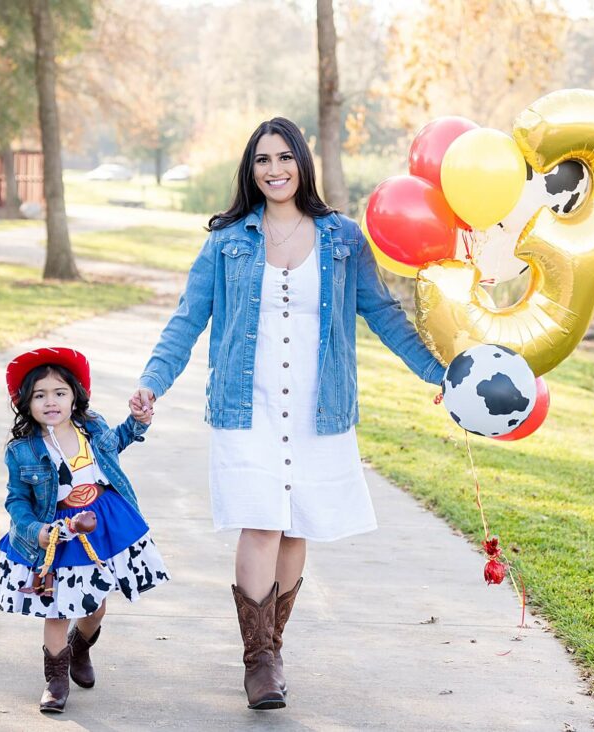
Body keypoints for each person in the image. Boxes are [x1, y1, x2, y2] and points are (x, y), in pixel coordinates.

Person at [129, 117, 445, 710]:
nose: (274, 170)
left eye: (284, 158)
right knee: (261, 520)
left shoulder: (343, 238)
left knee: (297, 525)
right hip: (245, 406)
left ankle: (272, 644)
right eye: (261, 160)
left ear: (302, 163)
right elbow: (187, 319)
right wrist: (153, 381)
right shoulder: (227, 240)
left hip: (317, 406)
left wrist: (439, 375)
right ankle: (260, 662)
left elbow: (383, 315)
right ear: (250, 171)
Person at [0, 346, 169, 714]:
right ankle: (56, 680)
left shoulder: (91, 427)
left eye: (59, 392)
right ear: (26, 403)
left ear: (75, 396)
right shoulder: (22, 451)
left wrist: (138, 421)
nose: (51, 401)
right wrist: (35, 530)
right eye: (39, 395)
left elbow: (118, 441)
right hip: (57, 532)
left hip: (102, 525)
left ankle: (80, 649)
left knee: (94, 606)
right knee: (56, 609)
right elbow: (16, 501)